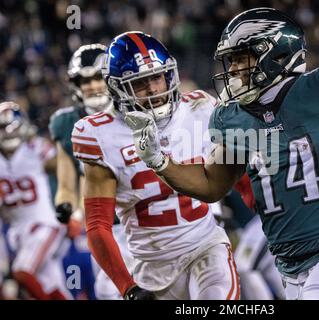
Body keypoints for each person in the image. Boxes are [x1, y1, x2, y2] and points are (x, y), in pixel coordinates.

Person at [124, 8, 319, 300]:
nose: (234, 68)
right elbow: (211, 184)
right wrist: (159, 161)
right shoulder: (232, 117)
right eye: (232, 60)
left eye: (242, 57)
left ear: (276, 53)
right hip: (289, 264)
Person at [71, 31, 239, 300]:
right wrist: (128, 288)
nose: (153, 90)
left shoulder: (199, 108)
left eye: (157, 77)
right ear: (117, 88)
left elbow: (232, 174)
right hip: (149, 267)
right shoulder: (99, 134)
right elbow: (97, 225)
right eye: (140, 83)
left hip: (205, 247)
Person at [49, 43, 134, 300]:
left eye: (98, 77)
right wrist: (64, 206)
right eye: (84, 80)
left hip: (141, 217)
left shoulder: (133, 112)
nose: (92, 86)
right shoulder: (65, 123)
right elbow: (66, 184)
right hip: (103, 227)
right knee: (108, 292)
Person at [0, 101, 71, 300]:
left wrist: (73, 208)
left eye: (9, 127)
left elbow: (66, 170)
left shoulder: (35, 148)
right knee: (51, 286)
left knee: (22, 273)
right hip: (18, 232)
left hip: (44, 225)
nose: (6, 133)